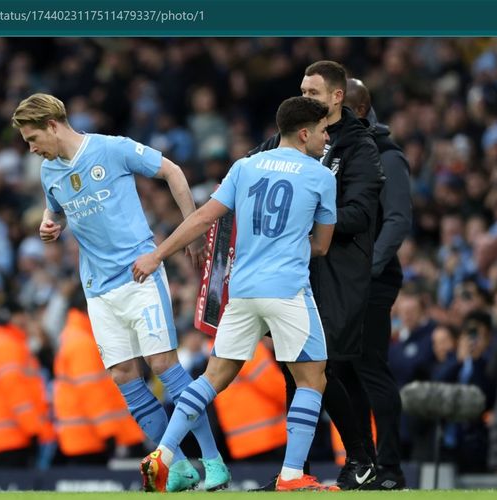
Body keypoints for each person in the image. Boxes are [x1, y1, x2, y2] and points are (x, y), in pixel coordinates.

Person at [12, 93, 229, 491]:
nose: (31, 149)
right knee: (124, 375)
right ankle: (178, 467)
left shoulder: (112, 149)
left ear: (52, 125)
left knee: (164, 366)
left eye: (32, 138)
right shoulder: (49, 173)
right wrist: (49, 223)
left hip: (140, 275)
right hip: (97, 289)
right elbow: (54, 207)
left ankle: (213, 461)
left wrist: (192, 233)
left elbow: (174, 172)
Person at [135, 96, 338, 492]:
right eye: (323, 130)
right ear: (304, 133)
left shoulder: (244, 167)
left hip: (242, 291)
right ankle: (293, 476)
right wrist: (293, 244)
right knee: (313, 380)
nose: (326, 137)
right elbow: (323, 245)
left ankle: (164, 452)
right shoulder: (320, 176)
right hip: (286, 289)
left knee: (212, 377)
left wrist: (158, 253)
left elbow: (204, 217)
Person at [250, 61, 383, 490]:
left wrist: (307, 221)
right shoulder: (283, 140)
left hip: (340, 270)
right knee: (298, 368)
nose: (305, 97)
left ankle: (361, 459)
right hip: (293, 269)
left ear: (337, 97)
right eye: (302, 90)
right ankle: (297, 469)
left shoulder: (359, 147)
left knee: (332, 369)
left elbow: (361, 214)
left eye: (313, 92)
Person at [342, 77, 412, 489]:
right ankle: (363, 464)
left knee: (371, 370)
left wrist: (367, 271)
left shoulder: (387, 156)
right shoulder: (343, 154)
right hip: (343, 281)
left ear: (361, 110)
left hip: (372, 280)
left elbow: (398, 219)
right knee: (343, 373)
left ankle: (390, 468)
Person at [53, 287, 144, 463]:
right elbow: (92, 392)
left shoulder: (78, 337)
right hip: (90, 438)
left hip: (86, 436)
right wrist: (108, 432)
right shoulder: (82, 343)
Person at [0, 301, 54, 468]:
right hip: (16, 434)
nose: (25, 320)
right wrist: (34, 428)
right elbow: (14, 390)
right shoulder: (5, 344)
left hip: (8, 433)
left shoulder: (0, 342)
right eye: (22, 315)